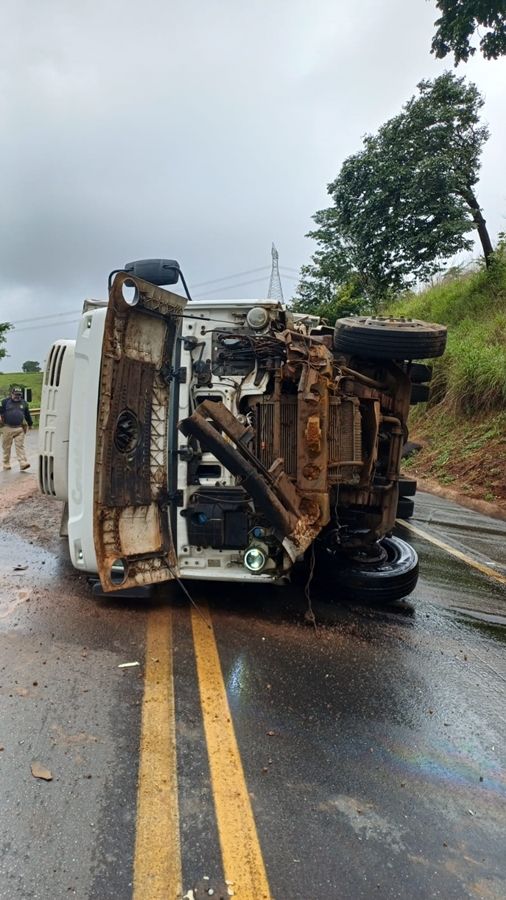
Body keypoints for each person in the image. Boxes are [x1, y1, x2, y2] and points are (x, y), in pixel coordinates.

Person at [0, 387, 33, 471]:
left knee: (20, 446)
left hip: (19, 428)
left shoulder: (24, 403)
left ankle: (23, 463)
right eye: (15, 395)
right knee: (6, 447)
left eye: (19, 395)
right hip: (7, 427)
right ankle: (6, 464)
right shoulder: (5, 402)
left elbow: (27, 414)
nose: (17, 396)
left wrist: (30, 424)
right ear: (11, 394)